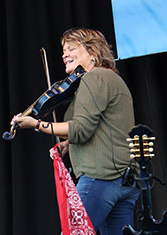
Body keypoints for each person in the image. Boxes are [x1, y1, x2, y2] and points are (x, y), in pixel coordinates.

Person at [11, 28, 140, 234]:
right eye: (63, 50)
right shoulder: (112, 79)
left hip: (101, 178)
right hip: (125, 181)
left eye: (71, 48)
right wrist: (68, 144)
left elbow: (79, 129)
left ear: (92, 52)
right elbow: (103, 129)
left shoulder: (94, 77)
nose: (64, 55)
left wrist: (36, 124)